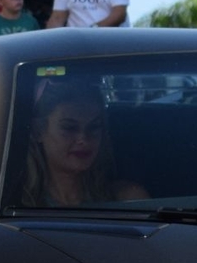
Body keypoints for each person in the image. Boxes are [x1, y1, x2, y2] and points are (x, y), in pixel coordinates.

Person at [16, 80, 145, 206]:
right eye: (69, 128)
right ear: (38, 131)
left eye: (93, 127)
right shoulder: (15, 203)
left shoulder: (127, 200)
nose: (83, 139)